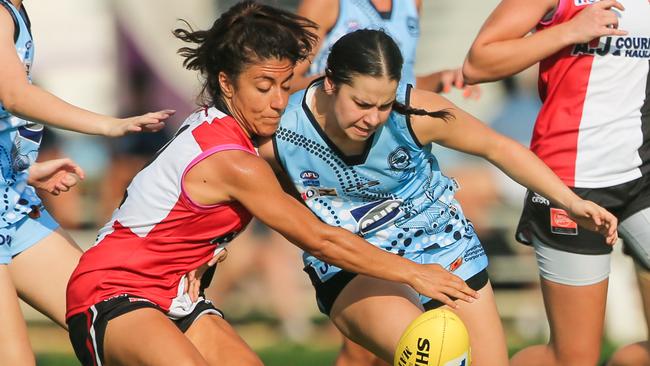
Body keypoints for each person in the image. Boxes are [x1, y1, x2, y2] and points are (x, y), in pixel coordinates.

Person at [64, 2, 482, 366]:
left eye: (285, 86)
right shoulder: (234, 160)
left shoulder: (239, 138)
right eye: (263, 87)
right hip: (114, 292)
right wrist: (416, 274)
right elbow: (321, 240)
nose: (279, 100)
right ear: (227, 83)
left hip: (178, 295)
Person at [259, 28, 619, 366]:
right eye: (362, 103)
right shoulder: (280, 133)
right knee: (435, 355)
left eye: (384, 105)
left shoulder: (415, 112)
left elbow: (498, 148)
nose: (373, 118)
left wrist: (571, 202)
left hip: (444, 248)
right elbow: (227, 183)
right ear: (331, 83)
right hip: (354, 260)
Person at [463, 0, 650, 365]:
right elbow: (478, 63)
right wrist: (570, 31)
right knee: (573, 359)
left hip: (642, 179)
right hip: (569, 187)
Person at [0, 0, 173, 364]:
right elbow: (15, 94)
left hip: (12, 205)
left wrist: (20, 170)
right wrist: (109, 124)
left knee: (111, 318)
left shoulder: (14, 10)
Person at [291, 0, 479, 97]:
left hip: (385, 136)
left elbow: (400, 86)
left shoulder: (412, 4)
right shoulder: (325, 3)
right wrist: (344, 83)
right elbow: (286, 81)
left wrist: (442, 78)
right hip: (328, 134)